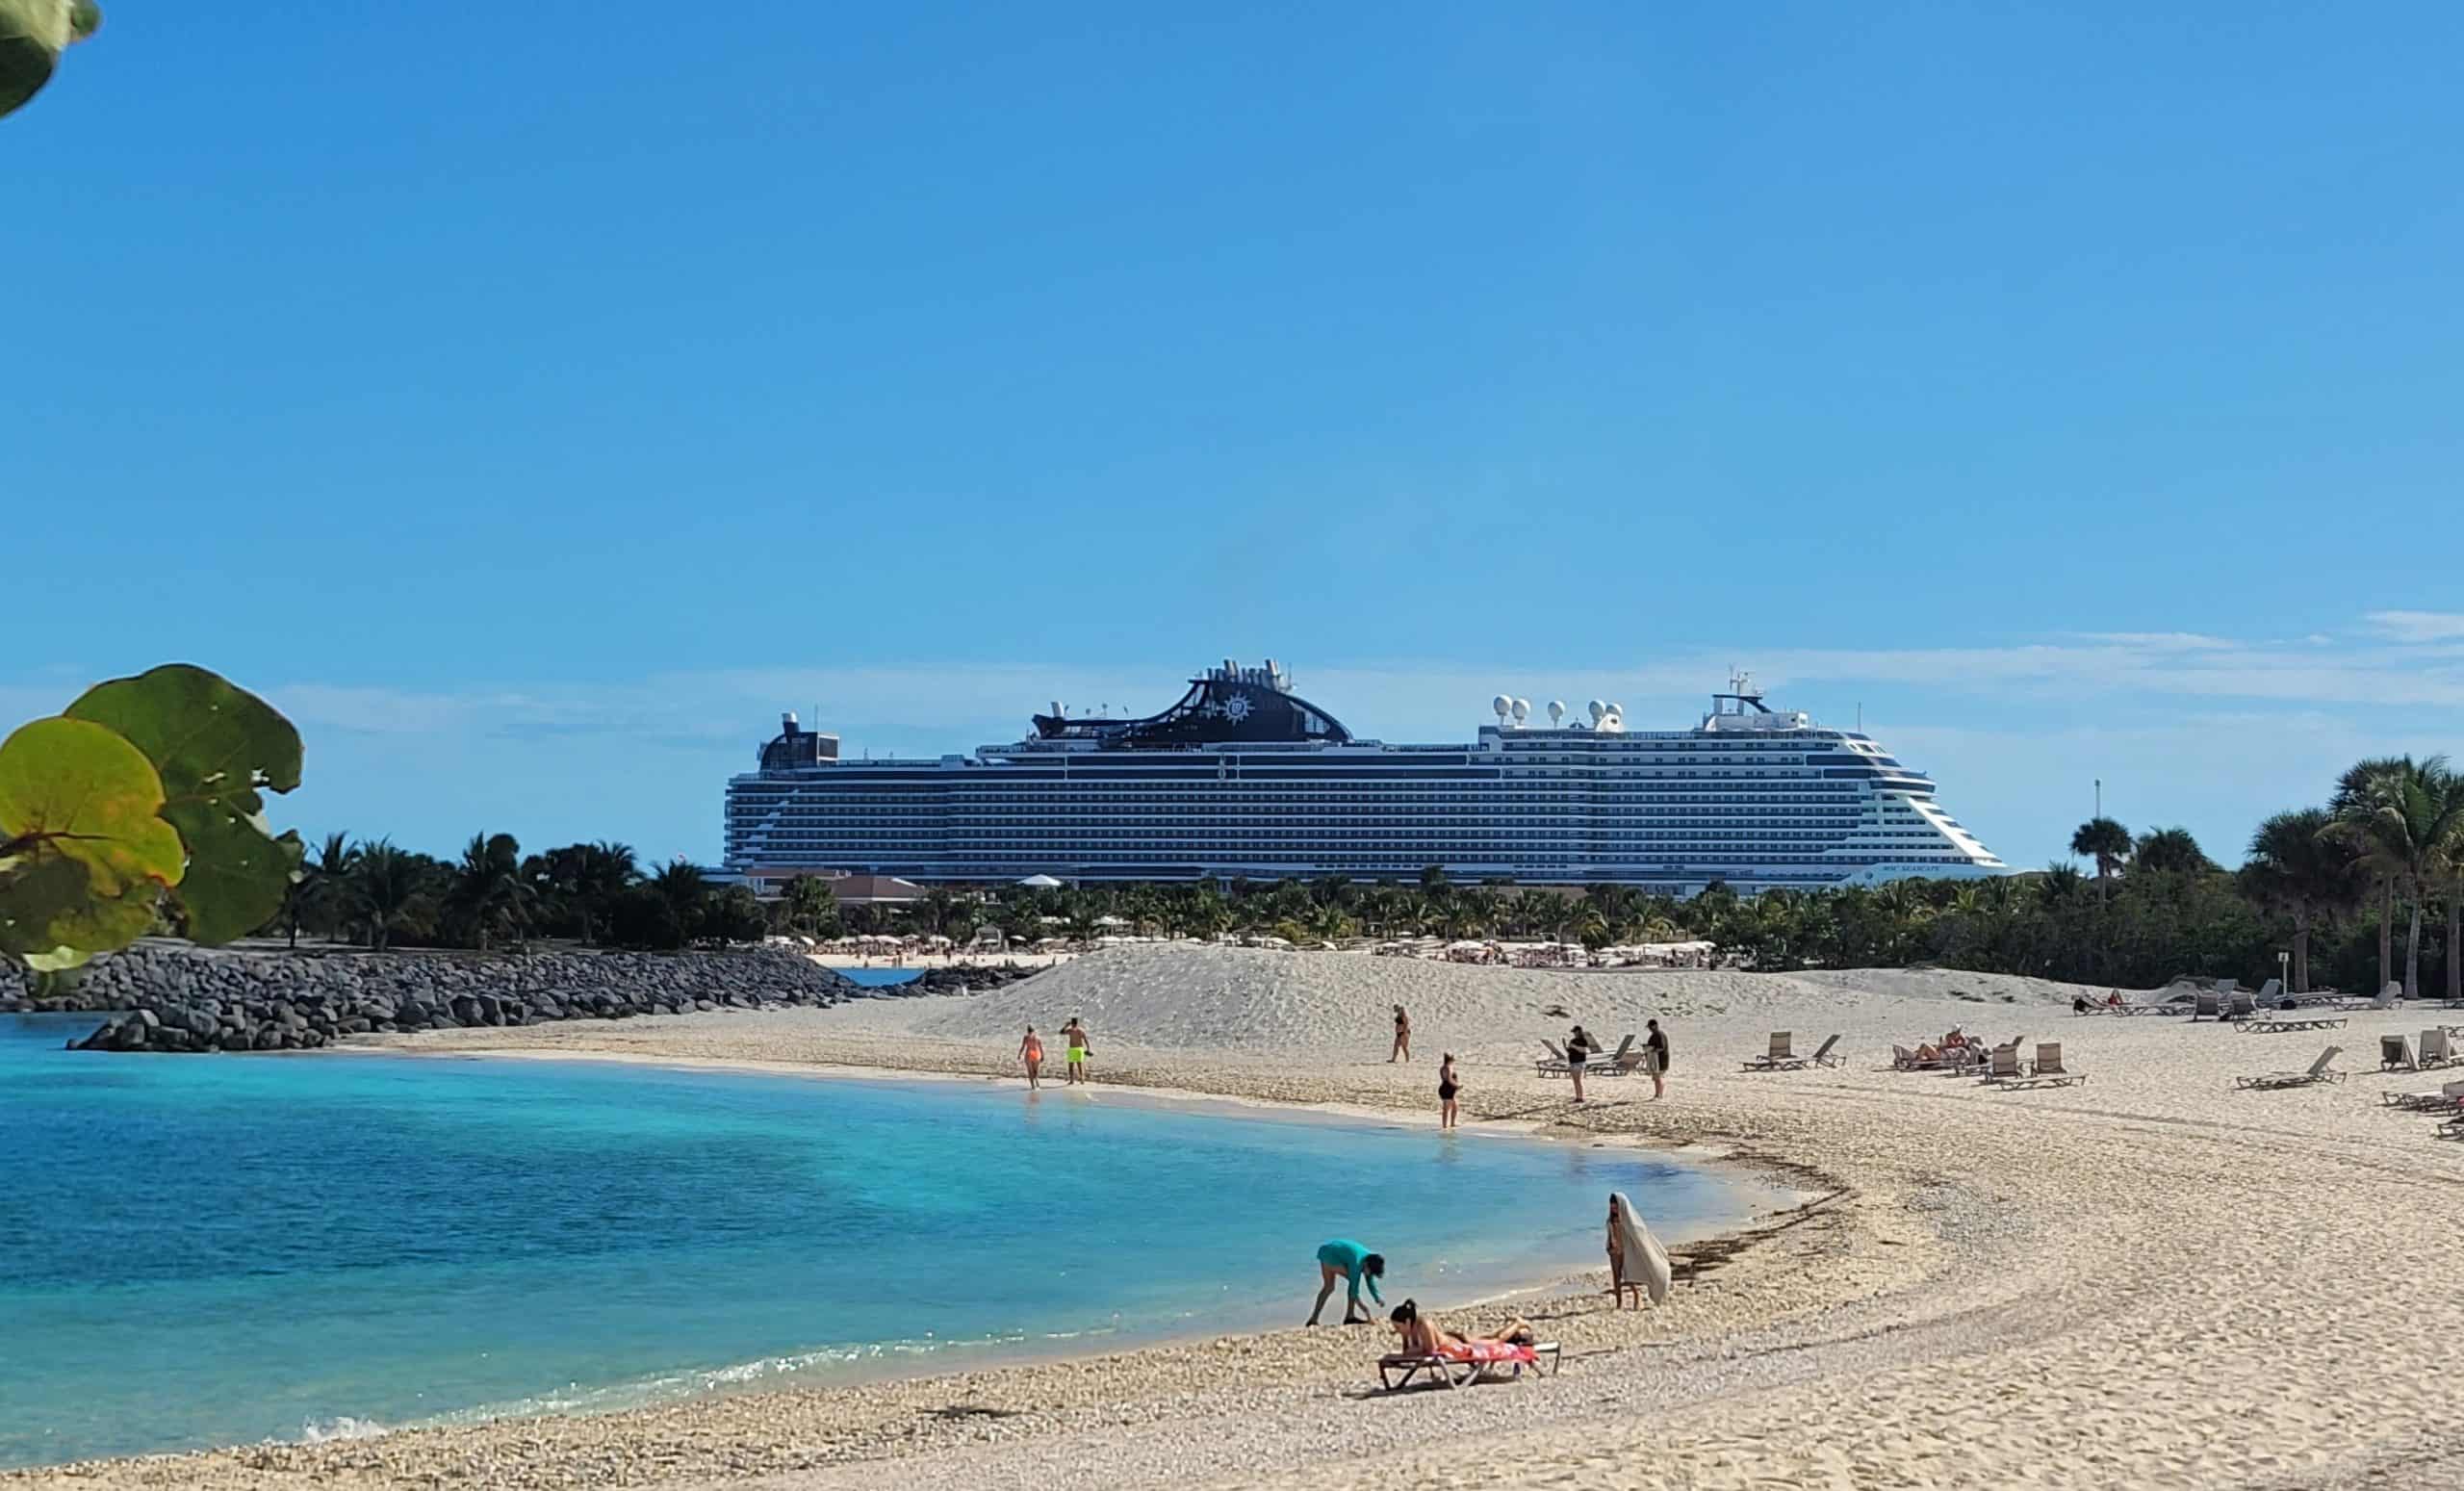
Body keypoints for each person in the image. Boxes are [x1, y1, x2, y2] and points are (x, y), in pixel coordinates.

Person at [1307, 1239, 1385, 1325]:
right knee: (1353, 1283)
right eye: (1371, 1272)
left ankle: (1313, 1319)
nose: (1370, 1275)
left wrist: (1377, 1298)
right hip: (1331, 1255)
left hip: (1326, 1251)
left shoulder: (1371, 1259)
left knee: (1329, 1287)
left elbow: (1370, 1280)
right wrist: (1366, 1310)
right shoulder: (1357, 1263)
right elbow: (1354, 1292)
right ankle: (1350, 1317)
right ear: (1366, 1265)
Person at [1606, 1195, 1640, 1308]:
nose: (1614, 1209)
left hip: (1625, 1251)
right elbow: (1610, 1236)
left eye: (1616, 1207)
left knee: (1628, 1276)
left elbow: (1634, 1234)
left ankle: (1636, 1296)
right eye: (1612, 1207)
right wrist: (1609, 1247)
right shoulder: (1610, 1220)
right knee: (1616, 1277)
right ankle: (1619, 1303)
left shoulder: (1626, 1220)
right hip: (1614, 1252)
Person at [1566, 1023, 1594, 1103]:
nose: (1574, 1033)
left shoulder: (1583, 1040)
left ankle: (1580, 1096)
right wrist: (1568, 1048)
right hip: (1573, 1061)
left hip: (1579, 1062)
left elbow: (1583, 1050)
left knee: (1578, 1080)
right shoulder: (1573, 1040)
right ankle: (1577, 1096)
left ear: (1578, 1032)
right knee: (1575, 1081)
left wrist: (1574, 1046)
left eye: (1575, 1032)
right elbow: (1570, 1050)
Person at [1644, 1017, 1670, 1100]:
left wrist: (1651, 1050)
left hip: (1659, 1060)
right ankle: (1657, 1094)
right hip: (1657, 1060)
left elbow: (1661, 1047)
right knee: (1656, 1078)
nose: (1650, 1029)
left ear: (1655, 1026)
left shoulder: (1659, 1035)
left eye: (1651, 1027)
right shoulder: (1657, 1035)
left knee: (1658, 1078)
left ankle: (1659, 1095)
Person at [1062, 1016, 1093, 1084]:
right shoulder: (1081, 1031)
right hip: (1080, 1049)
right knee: (1080, 1065)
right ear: (1077, 1023)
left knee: (1071, 1066)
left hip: (1072, 1049)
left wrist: (1066, 1026)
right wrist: (1088, 1049)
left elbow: (1061, 1032)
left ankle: (1072, 1080)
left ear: (1072, 1023)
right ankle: (1082, 1079)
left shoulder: (1070, 1030)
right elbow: (1086, 1040)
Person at [1437, 1053, 1460, 1130]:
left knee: (1455, 1106)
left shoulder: (1443, 1067)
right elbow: (1449, 1079)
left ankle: (1452, 1123)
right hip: (1448, 1089)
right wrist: (1457, 1085)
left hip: (1447, 1088)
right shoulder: (1448, 1067)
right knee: (1446, 1108)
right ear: (1450, 1059)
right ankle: (1444, 1126)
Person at [1018, 1026, 1043, 1090]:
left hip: (1029, 1053)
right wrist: (1043, 1056)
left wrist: (1019, 1054)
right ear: (1034, 1030)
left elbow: (1023, 1047)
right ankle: (1037, 1080)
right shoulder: (1037, 1037)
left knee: (1030, 1071)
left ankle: (1033, 1086)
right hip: (1036, 1053)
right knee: (1036, 1070)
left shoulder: (1026, 1037)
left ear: (1027, 1031)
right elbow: (1041, 1048)